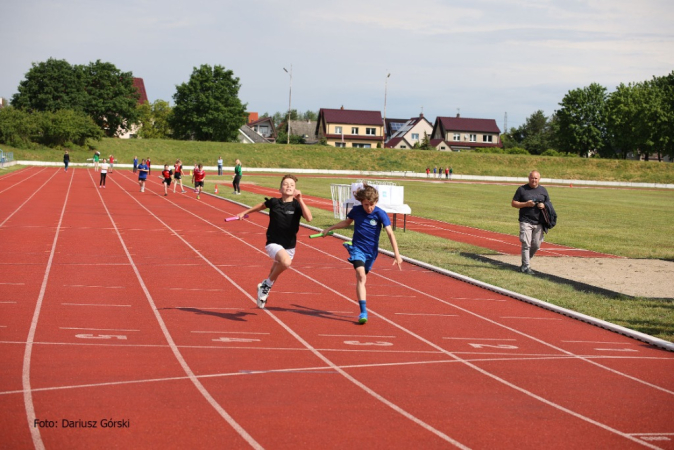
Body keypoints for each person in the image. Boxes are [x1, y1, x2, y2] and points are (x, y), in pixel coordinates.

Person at [321, 185, 403, 324]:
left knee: (362, 279)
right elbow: (347, 222)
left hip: (371, 252)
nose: (369, 208)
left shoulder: (380, 214)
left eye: (371, 205)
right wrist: (330, 227)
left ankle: (362, 305)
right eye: (366, 205)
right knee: (360, 275)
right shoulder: (357, 210)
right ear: (361, 202)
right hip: (358, 248)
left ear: (375, 202)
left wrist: (397, 254)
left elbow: (390, 233)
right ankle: (363, 311)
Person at [236, 174, 312, 309]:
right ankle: (266, 285)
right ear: (279, 189)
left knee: (275, 270)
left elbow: (309, 218)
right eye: (285, 184)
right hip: (273, 242)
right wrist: (245, 212)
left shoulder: (297, 205)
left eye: (292, 185)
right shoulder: (274, 202)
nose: (288, 186)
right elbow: (260, 206)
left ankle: (263, 290)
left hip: (289, 245)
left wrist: (301, 200)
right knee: (286, 262)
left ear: (295, 189)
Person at [511, 170, 549, 275]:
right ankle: (526, 266)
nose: (534, 180)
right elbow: (513, 203)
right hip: (525, 220)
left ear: (539, 179)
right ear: (529, 178)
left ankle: (526, 261)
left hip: (539, 222)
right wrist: (526, 204)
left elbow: (548, 203)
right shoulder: (522, 189)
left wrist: (544, 205)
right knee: (526, 243)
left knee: (536, 244)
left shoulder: (543, 190)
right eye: (532, 178)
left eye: (536, 178)